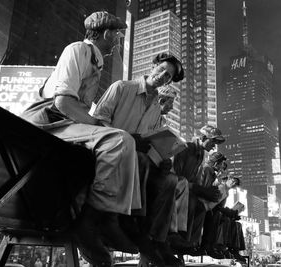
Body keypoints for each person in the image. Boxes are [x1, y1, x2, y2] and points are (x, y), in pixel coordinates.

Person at [21, 11, 138, 267]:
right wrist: (98, 124)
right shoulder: (78, 50)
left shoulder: (95, 62)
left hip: (65, 122)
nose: (118, 41)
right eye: (117, 35)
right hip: (49, 122)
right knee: (119, 141)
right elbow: (63, 102)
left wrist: (97, 124)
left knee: (120, 144)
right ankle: (94, 221)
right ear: (107, 34)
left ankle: (112, 220)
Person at [89, 53, 185, 267]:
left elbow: (152, 143)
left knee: (170, 180)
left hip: (141, 163)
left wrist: (163, 160)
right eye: (162, 70)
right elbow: (98, 121)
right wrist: (128, 138)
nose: (163, 76)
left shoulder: (155, 111)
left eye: (168, 76)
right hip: (111, 155)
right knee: (139, 158)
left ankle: (158, 239)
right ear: (154, 65)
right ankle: (132, 223)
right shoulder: (122, 87)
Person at [169, 125, 225, 253]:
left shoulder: (200, 155)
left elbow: (195, 181)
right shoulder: (186, 148)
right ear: (204, 137)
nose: (214, 146)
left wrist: (207, 194)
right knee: (193, 203)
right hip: (174, 186)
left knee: (200, 206)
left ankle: (189, 243)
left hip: (186, 189)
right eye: (213, 141)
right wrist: (201, 190)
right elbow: (175, 176)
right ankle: (177, 238)